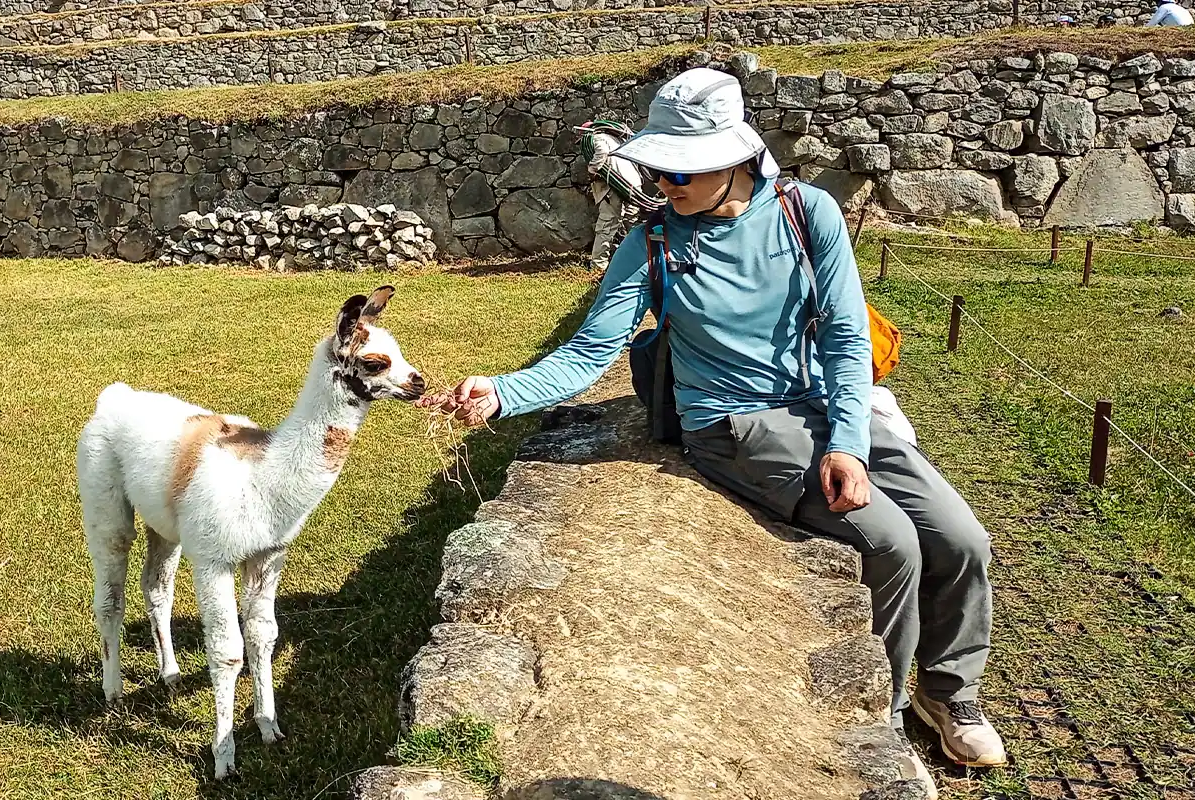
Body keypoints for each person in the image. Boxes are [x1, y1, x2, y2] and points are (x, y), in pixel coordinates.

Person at [420, 68, 1007, 790]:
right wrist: (502, 393)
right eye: (661, 168)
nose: (667, 183)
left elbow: (848, 340)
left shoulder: (807, 212)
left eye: (684, 170)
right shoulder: (654, 241)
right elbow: (589, 350)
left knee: (963, 538)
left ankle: (948, 692)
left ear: (738, 159)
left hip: (827, 406)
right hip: (734, 427)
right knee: (891, 543)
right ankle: (877, 718)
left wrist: (849, 443)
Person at [578, 120, 662, 271]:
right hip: (633, 183)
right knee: (632, 222)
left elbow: (601, 153)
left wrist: (592, 170)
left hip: (615, 186)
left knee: (606, 224)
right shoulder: (616, 139)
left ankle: (598, 265)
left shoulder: (598, 138)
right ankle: (635, 257)